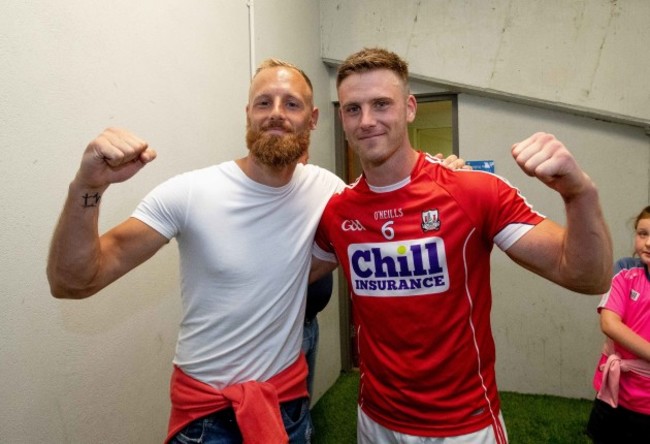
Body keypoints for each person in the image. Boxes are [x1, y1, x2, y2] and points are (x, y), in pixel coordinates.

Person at [46, 57, 464, 443]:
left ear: (313, 119)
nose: (276, 113)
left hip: (288, 406)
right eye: (264, 102)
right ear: (248, 114)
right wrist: (88, 187)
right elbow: (74, 281)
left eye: (291, 104)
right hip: (206, 417)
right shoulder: (190, 193)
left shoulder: (332, 193)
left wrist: (446, 179)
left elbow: (398, 208)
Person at [310, 47, 613, 444]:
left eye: (381, 104)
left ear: (409, 108)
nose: (367, 121)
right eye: (353, 109)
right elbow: (288, 282)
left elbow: (585, 275)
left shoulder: (473, 192)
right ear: (342, 119)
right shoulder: (337, 212)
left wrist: (579, 194)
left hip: (463, 426)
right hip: (375, 419)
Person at [586, 205, 650, 443]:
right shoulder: (625, 270)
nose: (648, 243)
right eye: (643, 234)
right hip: (615, 392)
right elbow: (610, 323)